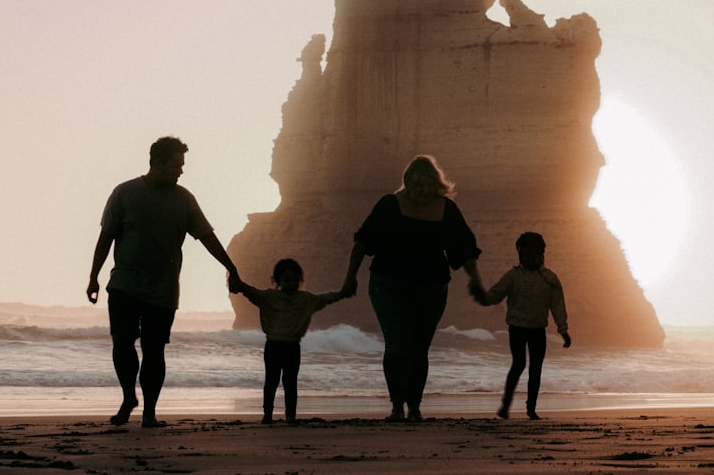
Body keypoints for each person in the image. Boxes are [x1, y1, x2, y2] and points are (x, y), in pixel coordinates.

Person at [86, 136, 243, 428]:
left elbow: (207, 237)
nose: (181, 172)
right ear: (157, 163)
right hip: (124, 284)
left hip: (163, 288)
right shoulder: (124, 193)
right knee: (122, 343)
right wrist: (93, 276)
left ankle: (149, 413)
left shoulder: (184, 199)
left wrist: (231, 268)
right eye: (176, 166)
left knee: (154, 349)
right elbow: (106, 237)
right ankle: (128, 397)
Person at [341, 155, 484, 422]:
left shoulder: (446, 209)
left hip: (431, 287)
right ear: (407, 184)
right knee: (397, 344)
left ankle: (414, 406)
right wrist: (350, 278)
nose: (422, 192)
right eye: (417, 187)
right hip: (388, 284)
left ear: (437, 185)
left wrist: (475, 279)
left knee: (419, 348)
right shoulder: (390, 205)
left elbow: (464, 248)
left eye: (428, 186)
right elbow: (362, 242)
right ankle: (397, 405)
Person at [230, 258, 350, 424]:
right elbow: (251, 291)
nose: (291, 283)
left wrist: (342, 294)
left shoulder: (306, 299)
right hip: (273, 346)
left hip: (293, 347)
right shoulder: (269, 297)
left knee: (290, 383)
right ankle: (267, 415)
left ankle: (291, 416)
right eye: (287, 279)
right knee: (271, 381)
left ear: (300, 281)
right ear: (277, 281)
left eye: (295, 280)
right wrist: (239, 285)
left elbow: (325, 298)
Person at [469, 232, 571, 420]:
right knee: (519, 364)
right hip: (516, 328)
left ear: (542, 254)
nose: (528, 258)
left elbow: (558, 306)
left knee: (536, 368)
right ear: (519, 255)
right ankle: (505, 405)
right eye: (524, 254)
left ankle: (531, 408)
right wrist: (482, 297)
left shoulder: (550, 279)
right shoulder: (513, 276)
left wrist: (563, 330)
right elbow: (495, 295)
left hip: (538, 330)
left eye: (533, 254)